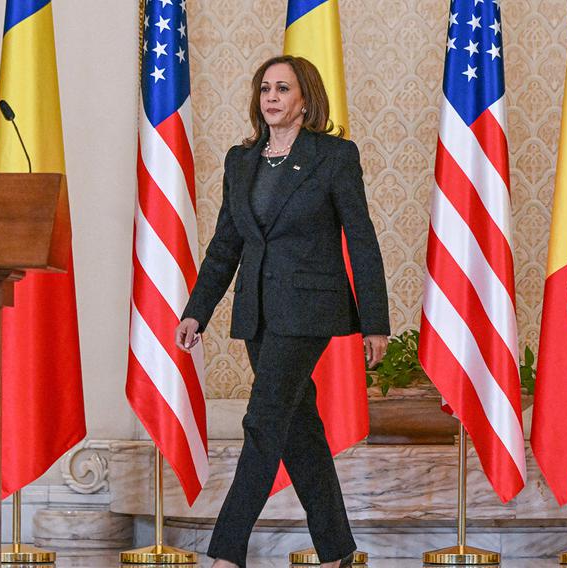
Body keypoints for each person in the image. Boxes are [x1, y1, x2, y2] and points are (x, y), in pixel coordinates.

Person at [174, 55, 390, 568]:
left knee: (264, 421)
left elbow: (361, 239)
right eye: (265, 89)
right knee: (300, 430)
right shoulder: (240, 160)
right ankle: (337, 550)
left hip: (309, 310)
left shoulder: (334, 156)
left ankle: (226, 552)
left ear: (305, 100)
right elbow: (226, 245)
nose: (270, 97)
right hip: (258, 314)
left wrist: (375, 321)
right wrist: (196, 312)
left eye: (282, 89)